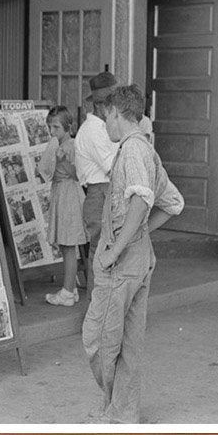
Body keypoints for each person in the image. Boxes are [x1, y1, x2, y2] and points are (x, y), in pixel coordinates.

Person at [81, 85, 183, 423]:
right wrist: (139, 235)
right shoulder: (146, 150)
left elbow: (142, 200)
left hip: (123, 264)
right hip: (139, 259)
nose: (104, 124)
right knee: (127, 341)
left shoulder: (133, 151)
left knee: (97, 340)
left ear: (115, 113)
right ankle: (123, 414)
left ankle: (116, 411)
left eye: (105, 117)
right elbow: (172, 202)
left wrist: (116, 249)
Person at [74, 72, 154, 288]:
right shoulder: (92, 130)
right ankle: (96, 302)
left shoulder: (105, 128)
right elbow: (113, 167)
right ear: (103, 107)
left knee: (111, 250)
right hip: (99, 193)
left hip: (109, 192)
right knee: (101, 251)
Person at [38, 106, 88, 306]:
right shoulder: (58, 144)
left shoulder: (69, 146)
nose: (52, 132)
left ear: (68, 127)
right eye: (50, 127)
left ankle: (67, 291)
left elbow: (77, 174)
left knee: (68, 245)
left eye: (56, 127)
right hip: (62, 193)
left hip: (68, 194)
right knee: (66, 244)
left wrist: (62, 163)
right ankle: (71, 287)